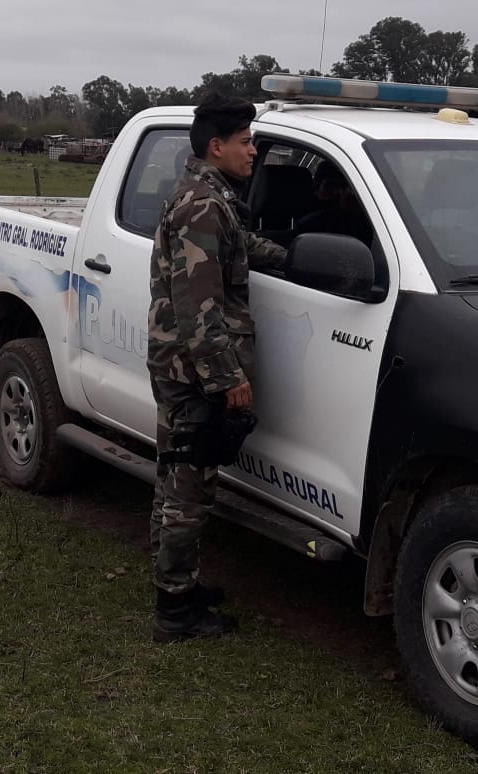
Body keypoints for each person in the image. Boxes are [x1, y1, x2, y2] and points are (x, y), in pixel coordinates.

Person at [147, 93, 287, 643]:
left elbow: (233, 247)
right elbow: (198, 308)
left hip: (181, 366)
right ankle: (176, 612)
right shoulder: (204, 204)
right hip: (194, 371)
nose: (253, 151)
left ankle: (176, 585)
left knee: (173, 477)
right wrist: (229, 380)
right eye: (247, 142)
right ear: (217, 145)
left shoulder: (207, 197)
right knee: (189, 488)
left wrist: (284, 252)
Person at [293, 160, 375, 245]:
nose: (337, 192)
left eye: (343, 187)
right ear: (317, 188)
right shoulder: (305, 218)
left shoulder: (360, 216)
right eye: (330, 186)